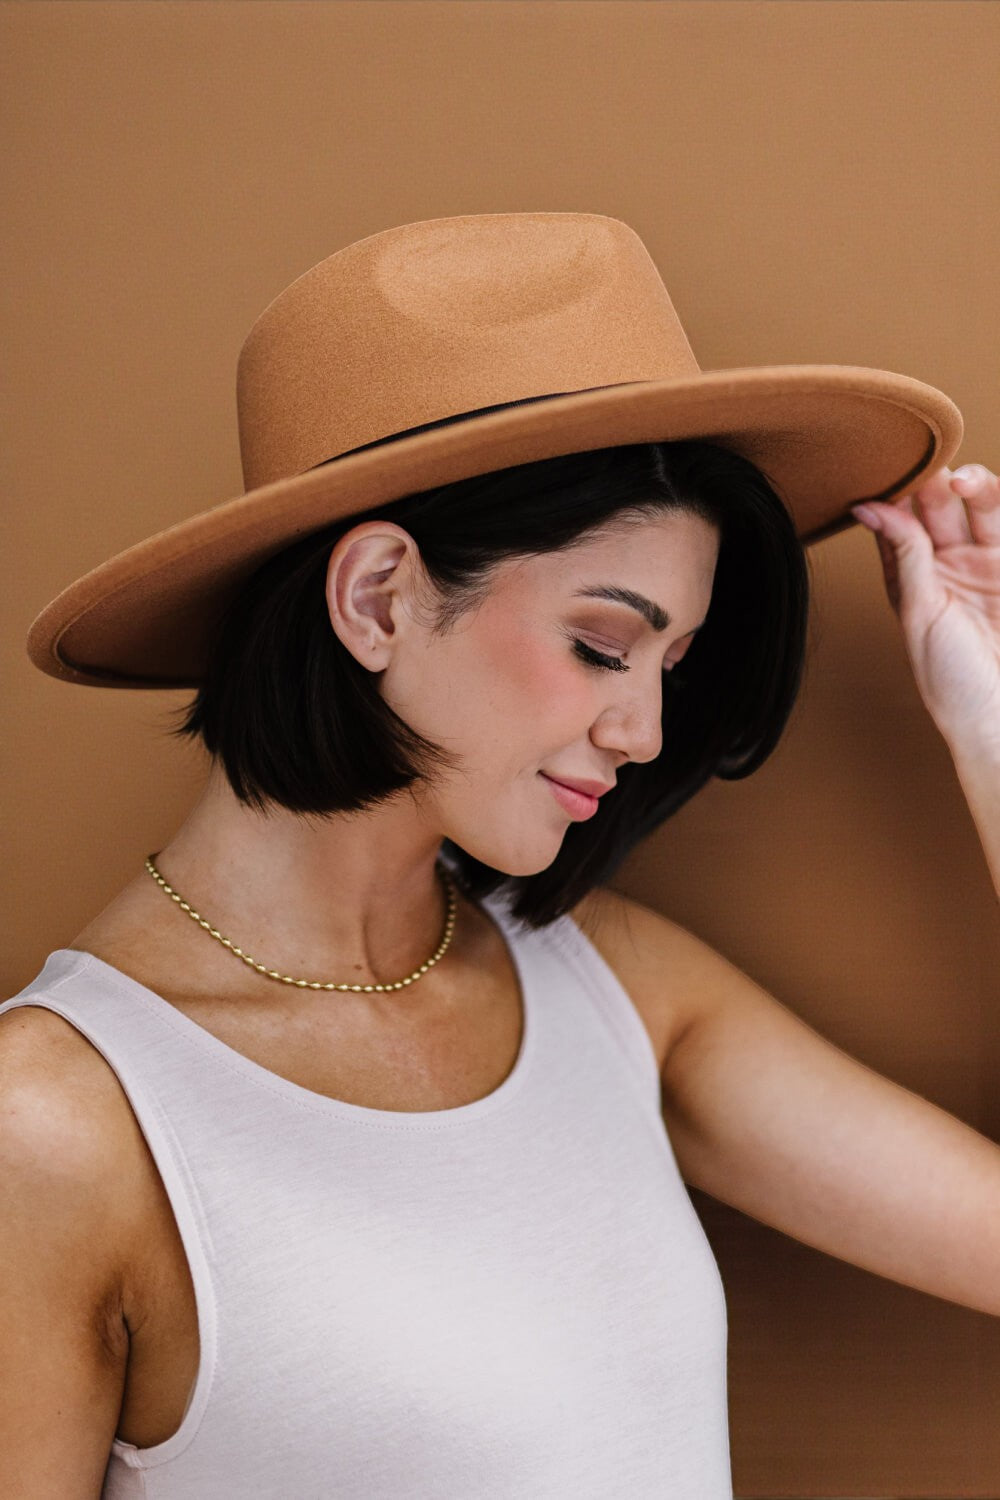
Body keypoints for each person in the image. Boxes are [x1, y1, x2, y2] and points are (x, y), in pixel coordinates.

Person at [2, 212, 997, 1500]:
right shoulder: (55, 1133)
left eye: (671, 664)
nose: (642, 730)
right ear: (378, 597)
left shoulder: (619, 994)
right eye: (600, 643)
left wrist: (987, 731)